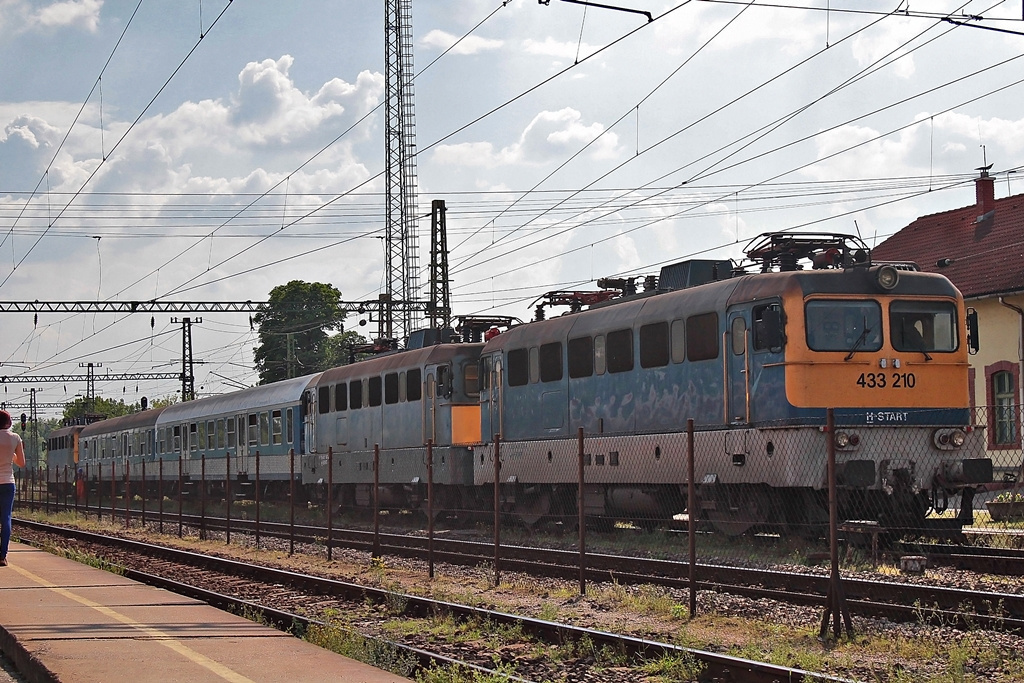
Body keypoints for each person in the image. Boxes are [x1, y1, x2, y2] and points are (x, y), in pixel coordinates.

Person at [0, 410, 27, 567]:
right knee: (6, 518)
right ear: (8, 422)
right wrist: (11, 455)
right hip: (8, 482)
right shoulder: (15, 438)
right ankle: (3, 556)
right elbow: (21, 463)